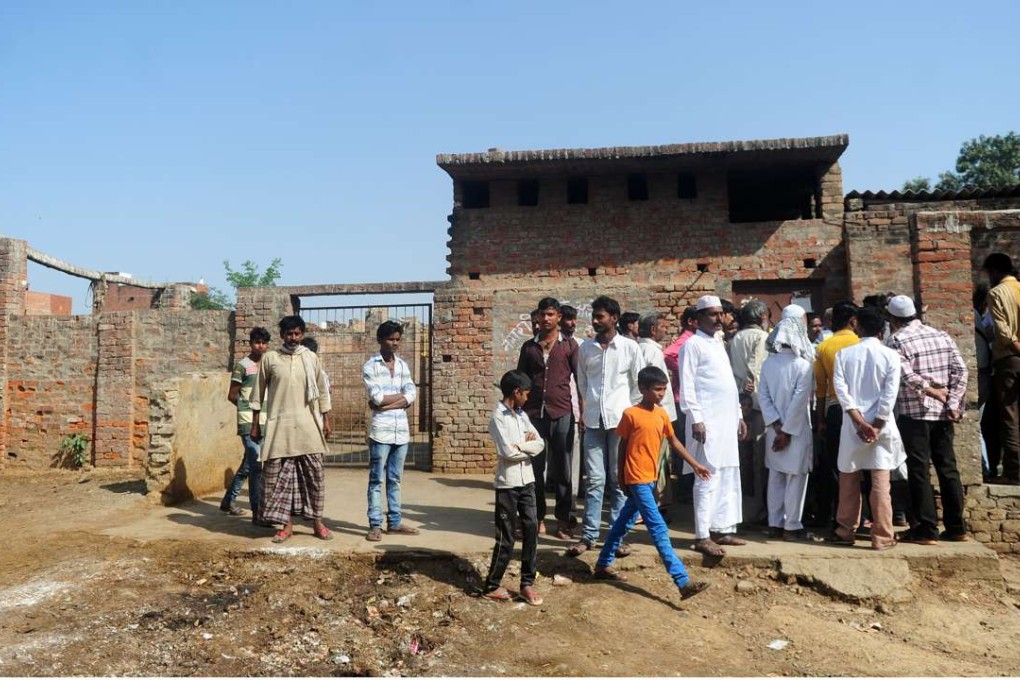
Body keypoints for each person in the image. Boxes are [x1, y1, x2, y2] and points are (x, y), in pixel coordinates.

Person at [591, 366, 711, 601]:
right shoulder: (630, 414)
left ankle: (602, 564)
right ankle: (682, 581)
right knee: (658, 528)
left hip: (650, 478)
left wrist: (695, 464)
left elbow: (673, 441)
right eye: (657, 389)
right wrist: (622, 477)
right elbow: (622, 448)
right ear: (643, 389)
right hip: (636, 478)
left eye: (664, 389)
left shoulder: (662, 414)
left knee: (622, 524)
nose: (662, 394)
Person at [885, 295, 969, 543]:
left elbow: (906, 375)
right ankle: (956, 528)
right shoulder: (941, 335)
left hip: (915, 414)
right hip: (943, 413)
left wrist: (931, 391)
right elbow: (961, 370)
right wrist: (951, 401)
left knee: (919, 470)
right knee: (948, 468)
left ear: (893, 319)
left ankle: (926, 528)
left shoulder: (897, 340)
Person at [569, 296, 645, 556]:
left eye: (600, 316)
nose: (595, 321)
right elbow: (581, 383)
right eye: (594, 316)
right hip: (593, 421)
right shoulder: (586, 349)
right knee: (594, 480)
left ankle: (617, 536)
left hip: (620, 422)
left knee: (618, 480)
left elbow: (638, 385)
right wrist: (586, 409)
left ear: (613, 318)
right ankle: (588, 536)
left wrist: (630, 414)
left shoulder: (629, 348)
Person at [250, 315, 334, 543]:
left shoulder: (311, 358)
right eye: (289, 334)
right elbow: (258, 394)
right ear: (282, 335)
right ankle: (286, 526)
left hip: (308, 427)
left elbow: (323, 391)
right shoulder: (270, 359)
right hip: (280, 428)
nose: (293, 338)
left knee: (314, 478)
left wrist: (326, 419)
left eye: (297, 334)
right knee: (278, 481)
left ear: (302, 334)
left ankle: (317, 523)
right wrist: (255, 424)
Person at [828, 307, 905, 551]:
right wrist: (877, 424)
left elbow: (841, 391)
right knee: (881, 481)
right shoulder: (890, 355)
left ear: (856, 324)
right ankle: (882, 535)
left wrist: (858, 421)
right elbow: (889, 394)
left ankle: (845, 530)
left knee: (849, 479)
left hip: (853, 427)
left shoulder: (844, 355)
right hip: (880, 428)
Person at [680, 295, 749, 557]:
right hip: (706, 422)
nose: (719, 318)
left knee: (727, 475)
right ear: (697, 319)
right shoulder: (692, 345)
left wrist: (739, 415)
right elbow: (687, 386)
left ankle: (722, 529)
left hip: (726, 420)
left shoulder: (718, 342)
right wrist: (696, 418)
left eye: (720, 313)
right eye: (712, 314)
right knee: (706, 476)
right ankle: (702, 535)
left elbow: (728, 384)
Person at [517, 297, 579, 539]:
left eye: (550, 315)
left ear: (558, 318)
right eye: (542, 315)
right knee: (534, 470)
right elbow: (520, 381)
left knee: (563, 470)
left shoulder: (570, 346)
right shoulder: (528, 347)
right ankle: (536, 518)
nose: (545, 319)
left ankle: (563, 521)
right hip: (533, 415)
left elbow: (580, 380)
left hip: (562, 412)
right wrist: (516, 413)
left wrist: (581, 411)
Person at [483, 370, 546, 605]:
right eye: (526, 394)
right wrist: (524, 444)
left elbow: (539, 443)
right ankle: (492, 584)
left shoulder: (522, 416)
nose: (528, 399)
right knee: (507, 537)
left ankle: (527, 583)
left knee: (531, 530)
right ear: (516, 392)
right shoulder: (498, 418)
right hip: (508, 484)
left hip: (527, 481)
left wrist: (521, 446)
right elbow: (506, 453)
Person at [757, 317, 815, 541]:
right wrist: (787, 432)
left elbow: (763, 397)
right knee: (795, 478)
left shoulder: (768, 364)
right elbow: (800, 402)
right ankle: (792, 525)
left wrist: (776, 426)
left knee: (776, 477)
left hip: (775, 429)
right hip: (795, 432)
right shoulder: (803, 365)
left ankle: (775, 523)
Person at [362, 320, 419, 542]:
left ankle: (394, 522)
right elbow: (376, 397)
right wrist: (402, 400)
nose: (394, 343)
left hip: (401, 431)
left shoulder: (403, 365)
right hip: (381, 432)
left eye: (397, 339)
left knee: (395, 479)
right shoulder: (371, 366)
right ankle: (375, 524)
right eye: (390, 339)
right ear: (380, 340)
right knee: (376, 479)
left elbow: (412, 393)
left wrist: (386, 404)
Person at [813, 302, 859, 528]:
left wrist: (820, 420)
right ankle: (864, 518)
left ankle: (838, 517)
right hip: (862, 411)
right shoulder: (861, 343)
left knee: (836, 466)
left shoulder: (824, 347)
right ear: (853, 321)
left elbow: (820, 389)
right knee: (863, 465)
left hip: (834, 410)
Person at [221, 327, 271, 522]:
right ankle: (257, 512)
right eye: (258, 342)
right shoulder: (243, 366)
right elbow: (232, 395)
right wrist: (247, 410)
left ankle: (228, 500)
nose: (261, 346)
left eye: (264, 343)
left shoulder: (268, 365)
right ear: (251, 343)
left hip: (265, 420)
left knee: (249, 465)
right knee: (256, 465)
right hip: (248, 422)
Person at [730, 300, 771, 526]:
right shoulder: (761, 338)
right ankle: (759, 510)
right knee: (759, 459)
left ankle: (742, 509)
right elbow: (756, 370)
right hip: (756, 405)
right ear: (761, 316)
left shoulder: (735, 338)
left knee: (742, 459)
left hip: (738, 403)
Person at [984, 252, 1020, 484]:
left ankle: (1014, 473)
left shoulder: (996, 293)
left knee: (1010, 417)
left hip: (1010, 358)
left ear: (994, 272)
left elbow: (1004, 332)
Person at [636, 313, 678, 505]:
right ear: (653, 329)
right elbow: (653, 387)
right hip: (656, 416)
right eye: (663, 326)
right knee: (658, 461)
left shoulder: (642, 348)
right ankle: (657, 503)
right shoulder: (651, 352)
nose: (666, 330)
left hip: (655, 415)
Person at [560, 305, 583, 504]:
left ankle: (570, 509)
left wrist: (582, 412)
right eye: (568, 319)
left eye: (574, 319)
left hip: (573, 412)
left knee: (572, 465)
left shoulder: (580, 346)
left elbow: (583, 382)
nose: (572, 323)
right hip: (551, 412)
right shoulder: (544, 346)